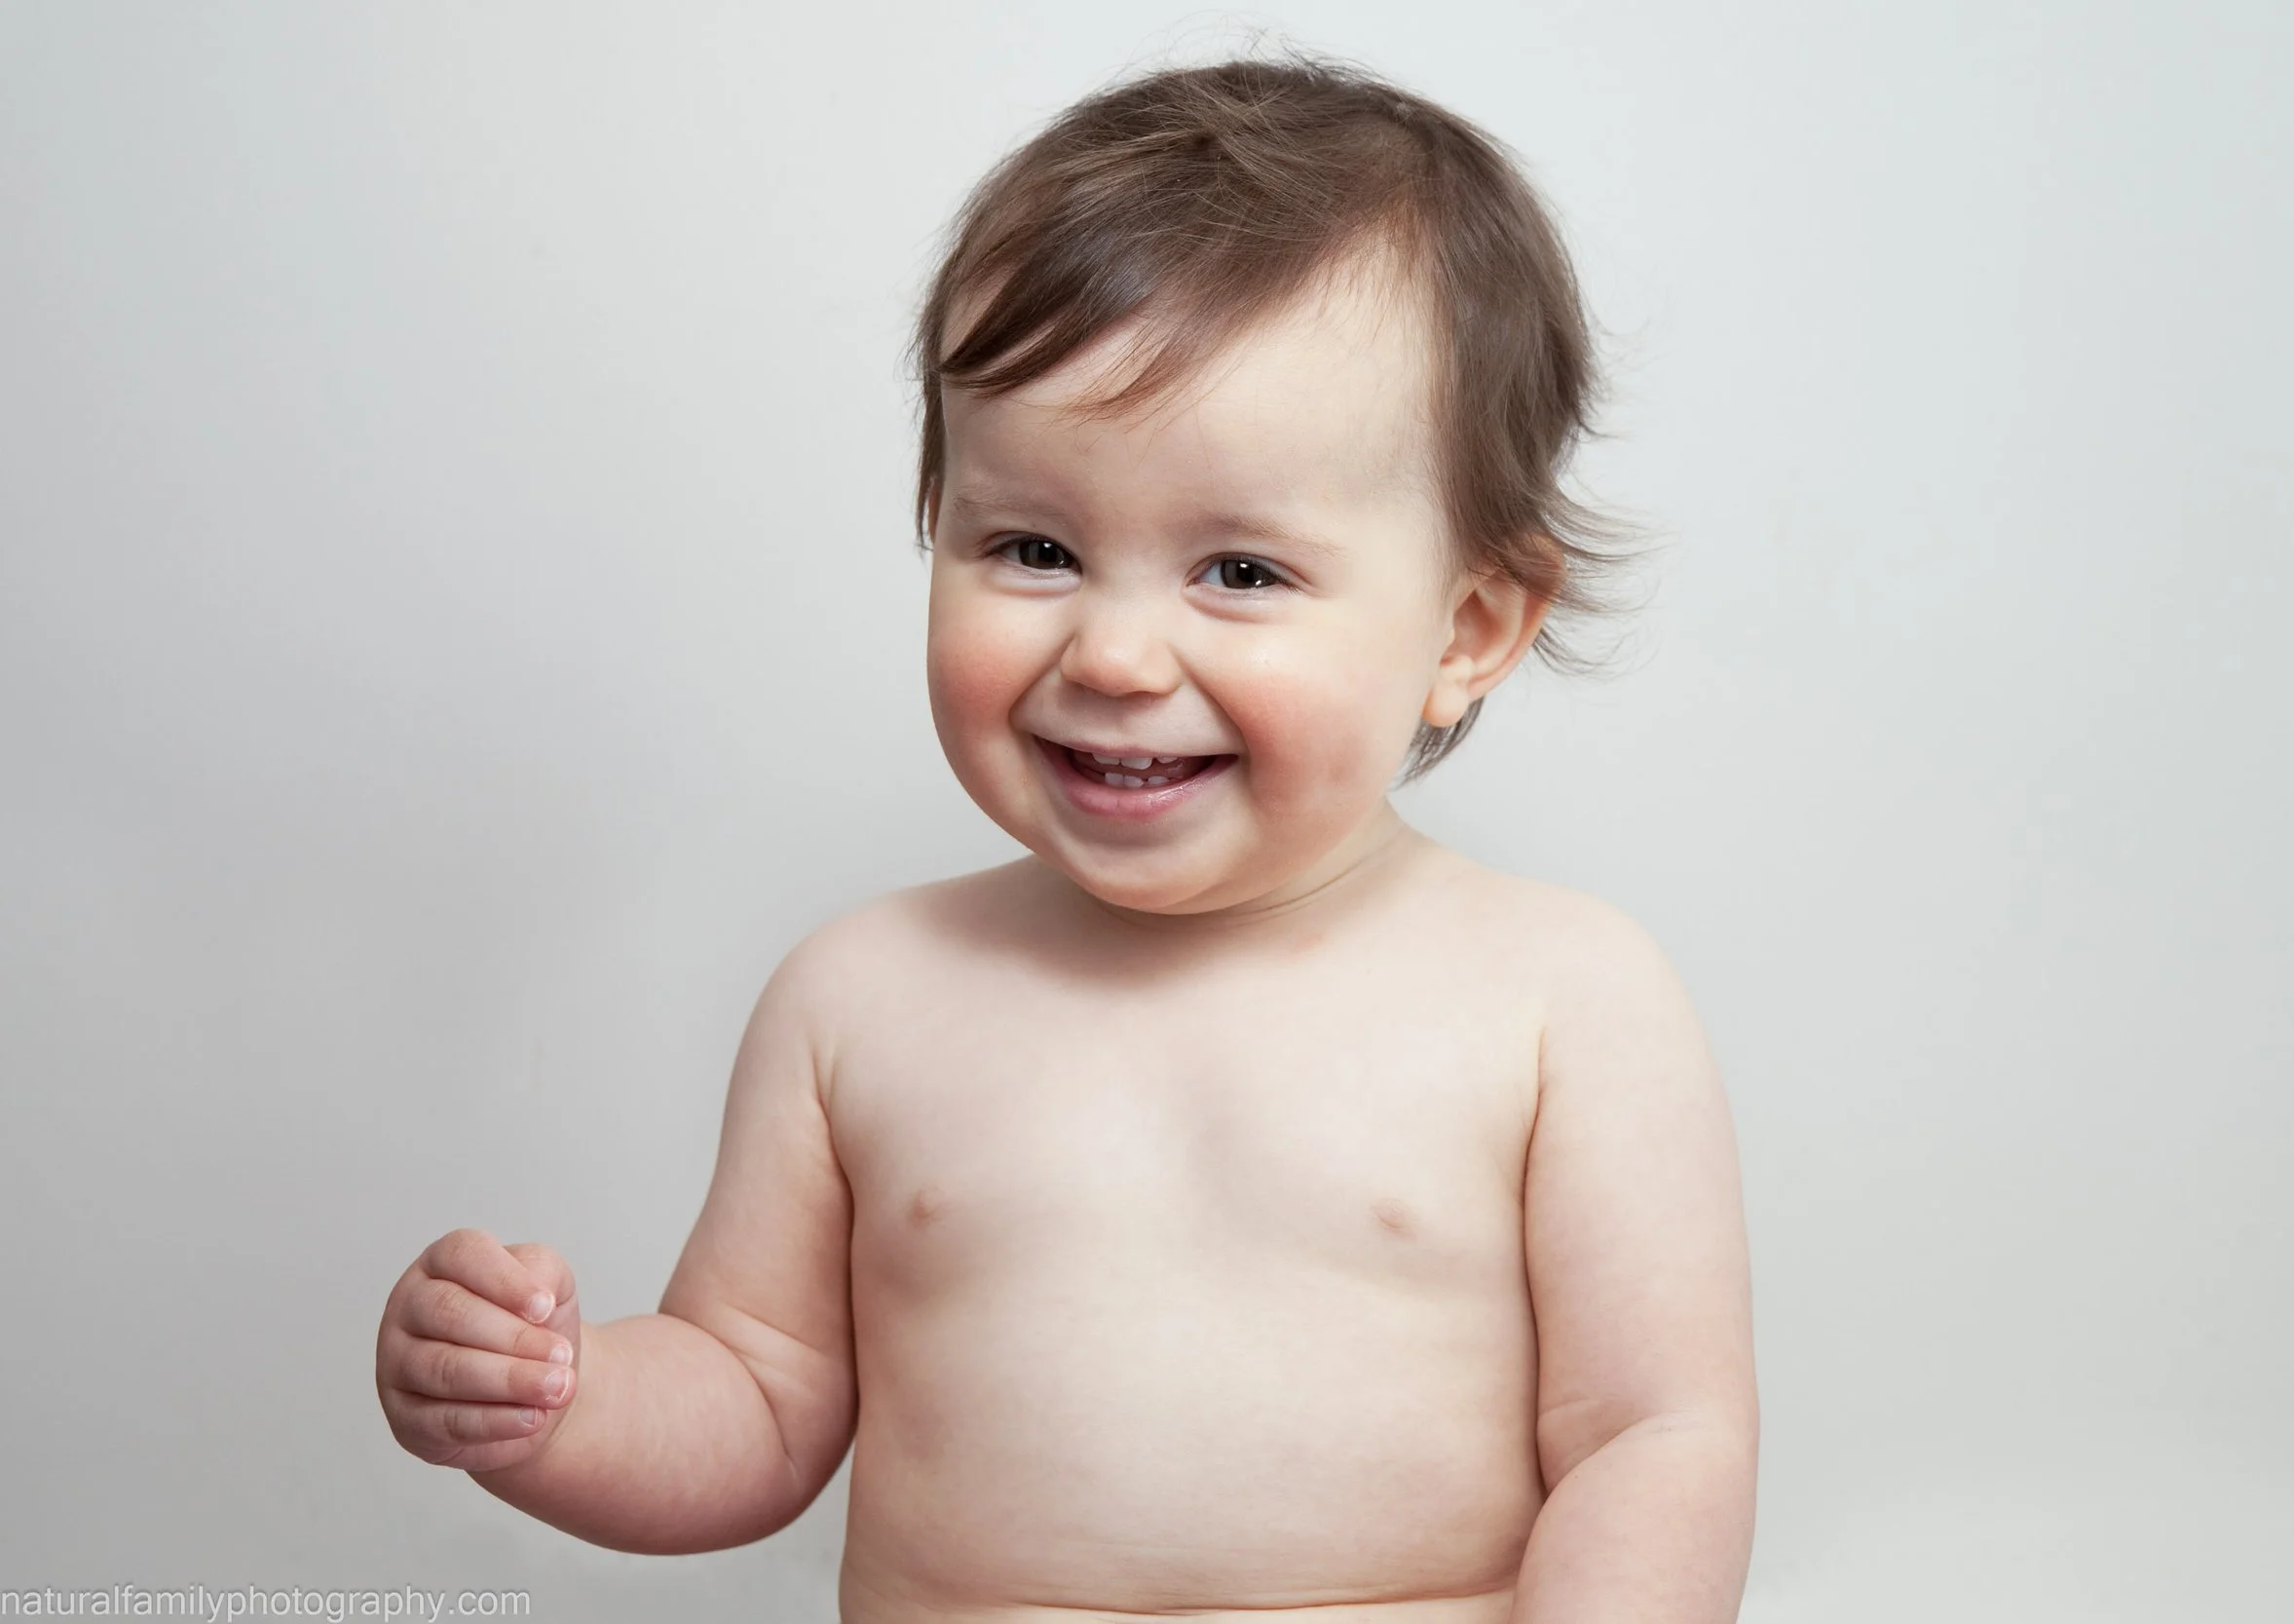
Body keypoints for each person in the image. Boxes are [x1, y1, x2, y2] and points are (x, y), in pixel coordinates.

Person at [375, 54, 1757, 1624]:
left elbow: (1654, 1436)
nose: (1112, 654)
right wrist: (555, 1406)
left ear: (1470, 623)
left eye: (1240, 571)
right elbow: (753, 1401)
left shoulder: (1559, 999)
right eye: (1034, 546)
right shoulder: (860, 1000)